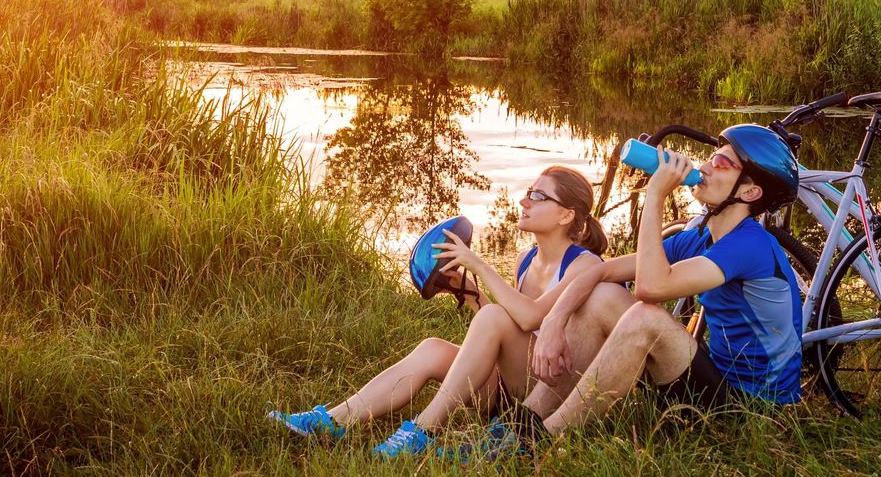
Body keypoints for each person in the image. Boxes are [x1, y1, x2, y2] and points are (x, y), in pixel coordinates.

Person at [484, 125, 802, 456]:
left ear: (749, 193)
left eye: (721, 162)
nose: (705, 166)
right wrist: (554, 320)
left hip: (755, 411)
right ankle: (523, 421)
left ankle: (539, 441)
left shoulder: (751, 245)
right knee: (602, 294)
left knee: (645, 318)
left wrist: (655, 195)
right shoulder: (700, 238)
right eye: (710, 157)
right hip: (717, 380)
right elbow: (601, 270)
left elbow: (650, 288)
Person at [267, 165, 608, 456]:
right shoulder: (525, 260)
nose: (524, 200)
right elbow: (506, 330)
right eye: (529, 191)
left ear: (566, 215)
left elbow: (531, 317)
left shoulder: (584, 264)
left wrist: (478, 263)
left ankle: (421, 432)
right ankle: (333, 420)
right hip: (508, 385)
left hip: (545, 390)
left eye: (538, 196)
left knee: (494, 316)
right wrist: (469, 290)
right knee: (433, 347)